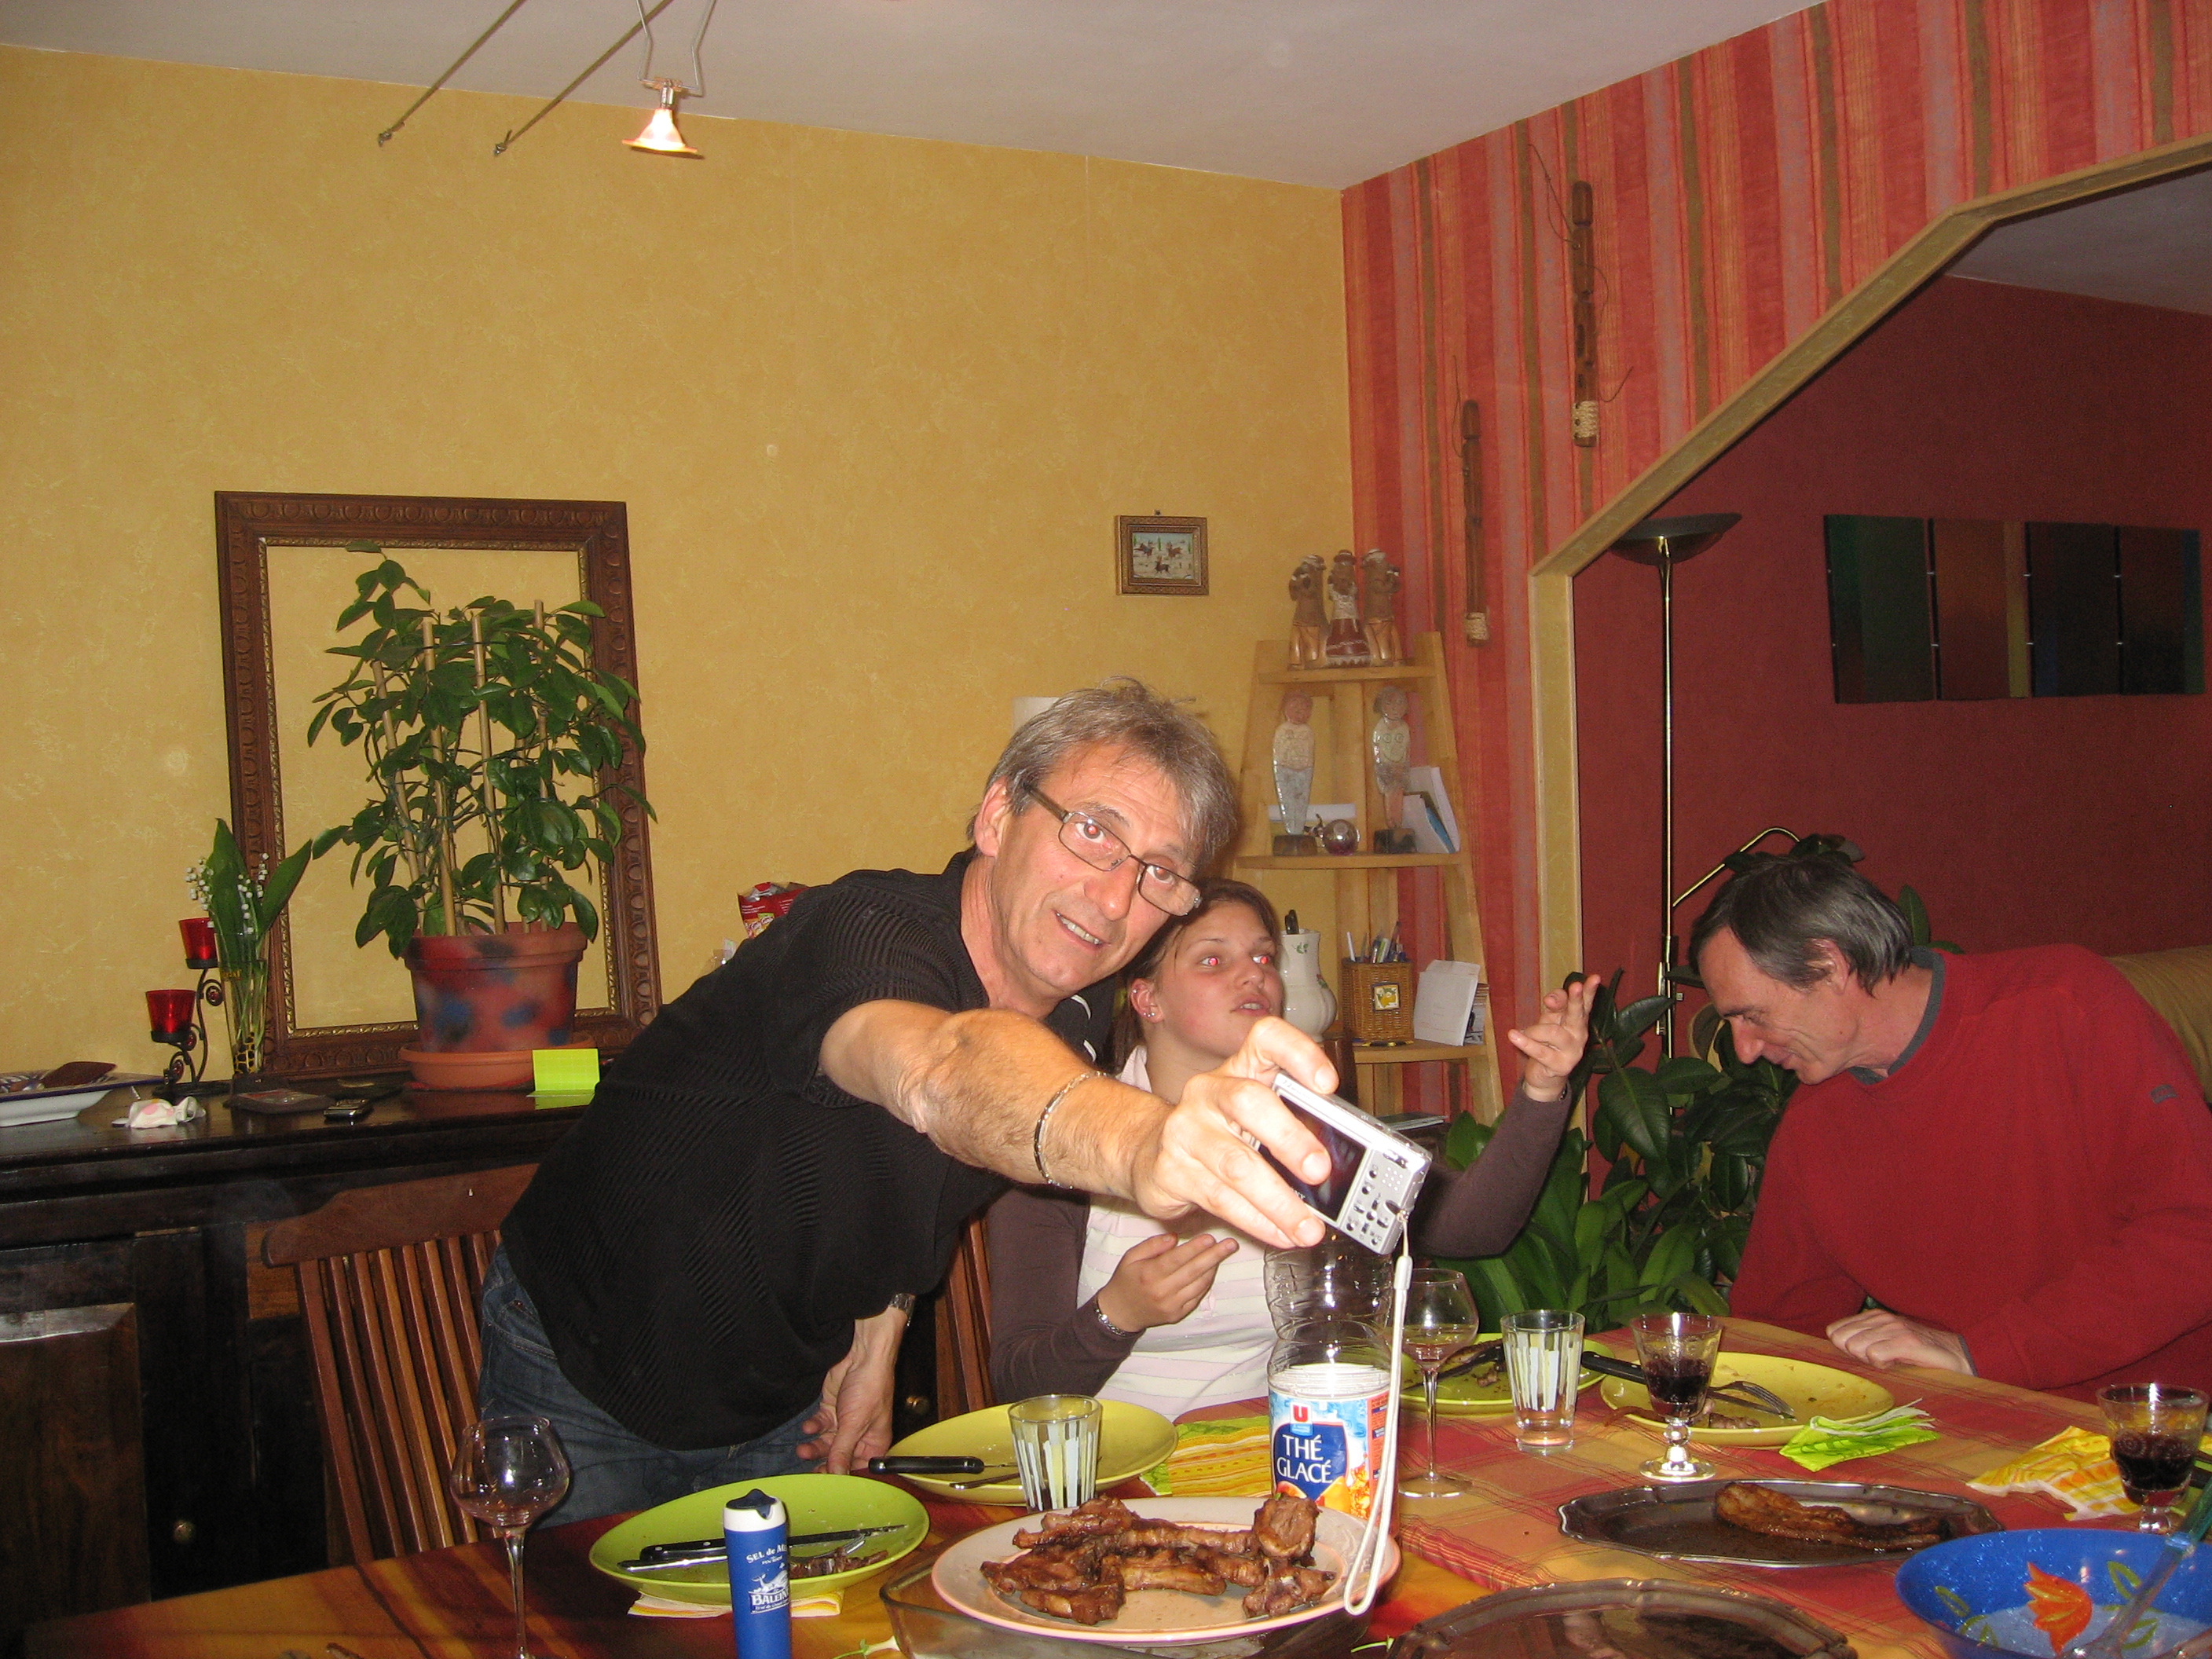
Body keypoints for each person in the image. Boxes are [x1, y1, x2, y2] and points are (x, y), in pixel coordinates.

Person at [482, 680, 1343, 1523]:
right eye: (1093, 832)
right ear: (997, 817)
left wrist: (882, 1325)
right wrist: (1140, 1142)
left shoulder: (1083, 1005)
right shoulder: (862, 929)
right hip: (588, 1349)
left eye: (1160, 873)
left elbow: (934, 1168)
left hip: (786, 1388)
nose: (1115, 897)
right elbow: (941, 1071)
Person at [989, 878, 1596, 1415]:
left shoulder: (1301, 1130)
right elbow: (1018, 1385)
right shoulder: (1063, 1141)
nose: (1254, 974)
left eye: (1263, 956)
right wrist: (1116, 1314)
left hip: (1287, 1450)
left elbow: (1472, 1228)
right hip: (1122, 1475)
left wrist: (1542, 1091)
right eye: (1212, 960)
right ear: (1148, 999)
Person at [1701, 855, 2212, 1399]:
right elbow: (1780, 1330)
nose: (1744, 1050)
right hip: (1967, 1419)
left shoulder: (2064, 1005)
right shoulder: (1815, 1122)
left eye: (1751, 1015)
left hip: (2152, 1420)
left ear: (1828, 964)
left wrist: (1982, 1353)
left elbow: (2195, 1234)